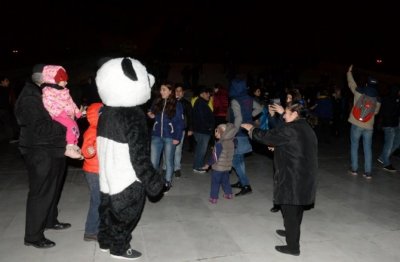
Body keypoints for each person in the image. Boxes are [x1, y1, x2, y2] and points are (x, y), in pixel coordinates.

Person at [96, 57, 165, 260]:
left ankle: (105, 241)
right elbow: (139, 155)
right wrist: (153, 181)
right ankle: (119, 248)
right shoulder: (133, 115)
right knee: (125, 214)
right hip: (126, 175)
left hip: (107, 174)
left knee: (107, 209)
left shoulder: (106, 111)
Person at [241, 101, 318, 256]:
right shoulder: (305, 126)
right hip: (304, 174)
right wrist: (278, 146)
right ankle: (291, 232)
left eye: (287, 113)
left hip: (293, 176)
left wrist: (252, 129)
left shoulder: (292, 129)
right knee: (297, 208)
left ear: (295, 114)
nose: (283, 116)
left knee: (290, 207)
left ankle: (293, 247)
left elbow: (267, 136)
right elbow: (295, 145)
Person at [14, 64, 71, 249]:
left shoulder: (45, 92)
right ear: (42, 78)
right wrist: (67, 125)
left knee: (53, 188)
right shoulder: (30, 97)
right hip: (39, 151)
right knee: (41, 192)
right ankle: (32, 235)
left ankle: (49, 221)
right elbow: (40, 128)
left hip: (53, 148)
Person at [41, 65, 84, 159]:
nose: (66, 82)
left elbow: (71, 103)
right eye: (63, 80)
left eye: (66, 79)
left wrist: (77, 112)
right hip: (58, 115)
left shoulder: (64, 91)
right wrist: (61, 113)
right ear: (54, 80)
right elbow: (48, 104)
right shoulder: (48, 91)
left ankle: (74, 144)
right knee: (71, 125)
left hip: (68, 115)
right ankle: (69, 148)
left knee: (75, 127)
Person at [147, 82, 184, 191]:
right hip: (156, 136)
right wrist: (151, 115)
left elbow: (180, 122)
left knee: (168, 161)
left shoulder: (177, 104)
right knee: (153, 162)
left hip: (170, 136)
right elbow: (152, 113)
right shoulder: (157, 101)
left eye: (164, 90)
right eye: (161, 90)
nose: (161, 92)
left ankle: (167, 182)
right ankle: (154, 182)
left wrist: (177, 137)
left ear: (170, 91)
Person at [347, 64, 381, 179]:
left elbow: (351, 84)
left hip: (356, 123)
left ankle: (354, 169)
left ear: (367, 83)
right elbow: (375, 112)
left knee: (354, 146)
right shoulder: (377, 99)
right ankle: (368, 172)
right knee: (367, 148)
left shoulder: (359, 92)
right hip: (369, 126)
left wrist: (349, 73)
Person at [81, 102, 103, 241]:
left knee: (100, 199)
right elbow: (86, 148)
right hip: (93, 171)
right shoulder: (92, 130)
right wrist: (89, 151)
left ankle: (97, 226)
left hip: (99, 169)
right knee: (97, 200)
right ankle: (90, 231)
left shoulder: (101, 130)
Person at [228, 77, 253, 196]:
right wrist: (249, 116)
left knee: (235, 160)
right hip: (247, 131)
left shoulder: (235, 100)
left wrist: (233, 133)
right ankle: (241, 182)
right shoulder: (249, 98)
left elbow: (238, 118)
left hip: (238, 134)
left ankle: (246, 185)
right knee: (240, 159)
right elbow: (259, 109)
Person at [203, 123, 237, 204]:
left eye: (217, 131)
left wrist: (208, 164)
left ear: (222, 133)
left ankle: (213, 198)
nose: (215, 134)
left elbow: (215, 157)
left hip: (218, 168)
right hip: (227, 167)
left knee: (215, 182)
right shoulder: (232, 141)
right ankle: (228, 194)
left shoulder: (219, 144)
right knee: (225, 181)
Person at [192, 86, 215, 173]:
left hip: (201, 130)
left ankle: (197, 165)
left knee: (200, 149)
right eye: (207, 93)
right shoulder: (201, 103)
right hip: (202, 130)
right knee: (201, 150)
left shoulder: (201, 102)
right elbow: (202, 118)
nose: (209, 95)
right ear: (202, 94)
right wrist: (209, 126)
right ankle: (198, 166)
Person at [377, 84, 400, 172]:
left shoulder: (396, 100)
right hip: (388, 125)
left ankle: (382, 157)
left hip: (395, 125)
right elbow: (387, 113)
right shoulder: (388, 99)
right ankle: (386, 163)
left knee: (397, 143)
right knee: (389, 144)